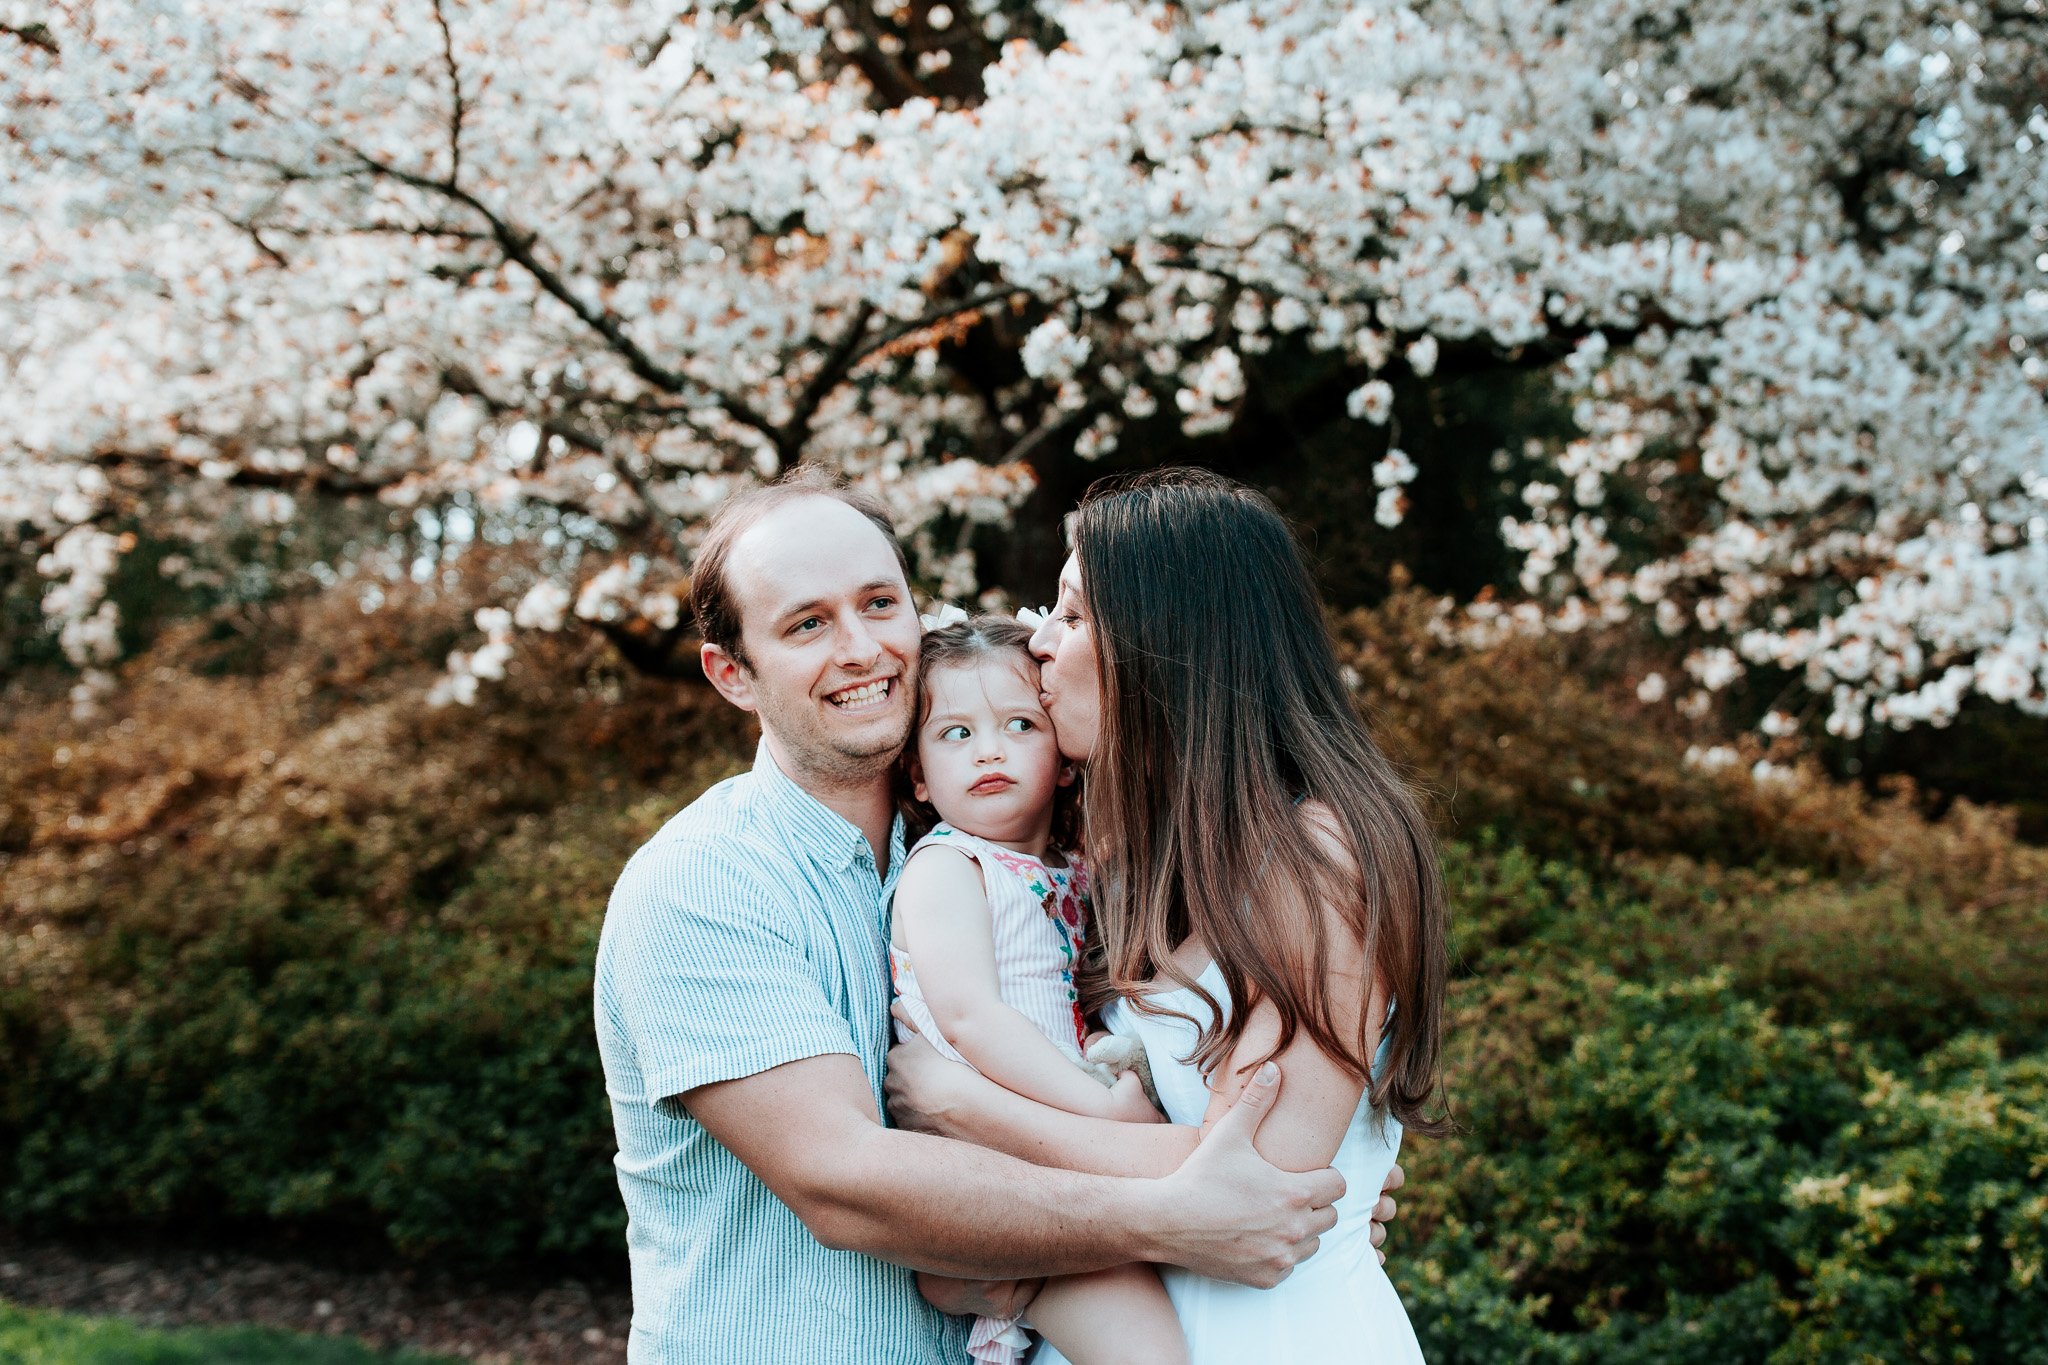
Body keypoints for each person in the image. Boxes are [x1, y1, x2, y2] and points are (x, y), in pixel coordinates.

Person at [592, 468, 1399, 1365]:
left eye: (878, 602)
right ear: (731, 673)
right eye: (807, 624)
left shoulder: (1026, 857)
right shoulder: (706, 884)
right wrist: (1184, 1205)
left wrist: (1324, 1181)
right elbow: (846, 1184)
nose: (860, 648)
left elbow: (1265, 1146)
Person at [885, 468, 1447, 1363]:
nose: (1037, 643)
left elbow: (1262, 1183)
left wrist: (959, 1108)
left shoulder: (1323, 852)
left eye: (1070, 616)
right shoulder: (1134, 856)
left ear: (1163, 642)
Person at [889, 616, 1187, 1365]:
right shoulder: (949, 867)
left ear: (1061, 756)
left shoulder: (1074, 867)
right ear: (919, 775)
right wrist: (1106, 1110)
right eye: (955, 733)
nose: (988, 749)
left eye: (1019, 723)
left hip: (1052, 1152)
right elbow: (970, 1018)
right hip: (997, 1165)